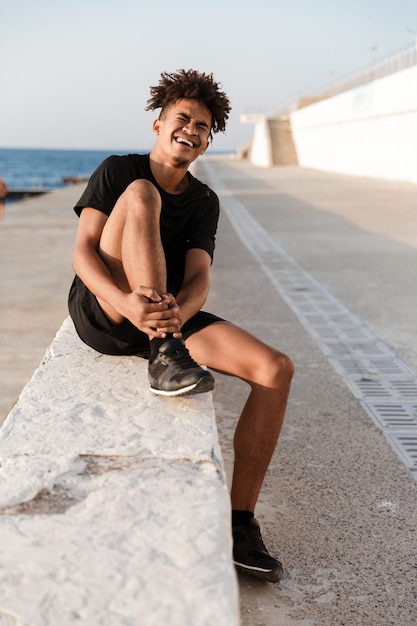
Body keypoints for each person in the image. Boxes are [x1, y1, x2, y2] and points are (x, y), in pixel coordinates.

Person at [68, 69, 294, 583]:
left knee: (275, 369)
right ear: (158, 123)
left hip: (168, 314)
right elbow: (84, 253)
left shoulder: (204, 201)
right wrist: (127, 301)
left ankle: (240, 524)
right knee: (144, 194)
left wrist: (175, 315)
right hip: (107, 307)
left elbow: (198, 277)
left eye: (204, 126)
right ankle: (166, 353)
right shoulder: (119, 170)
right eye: (183, 118)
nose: (192, 129)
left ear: (208, 141)